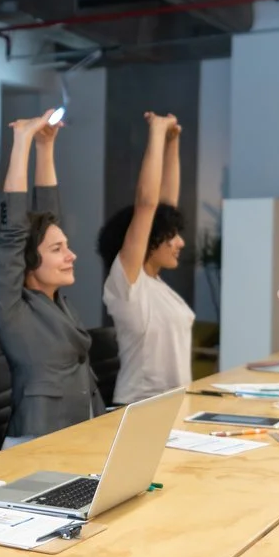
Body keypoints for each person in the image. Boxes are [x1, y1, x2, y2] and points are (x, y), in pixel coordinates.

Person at [0, 111, 104, 444]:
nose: (71, 255)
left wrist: (46, 147)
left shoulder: (54, 303)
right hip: (36, 447)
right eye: (58, 250)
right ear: (29, 260)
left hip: (78, 435)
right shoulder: (9, 308)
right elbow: (12, 233)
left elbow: (50, 218)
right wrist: (22, 140)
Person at [98, 112, 193, 404]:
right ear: (148, 240)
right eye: (171, 235)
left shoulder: (155, 284)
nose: (181, 242)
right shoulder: (128, 286)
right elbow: (148, 204)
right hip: (137, 409)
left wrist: (173, 141)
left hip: (172, 406)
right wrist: (155, 130)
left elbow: (164, 207)